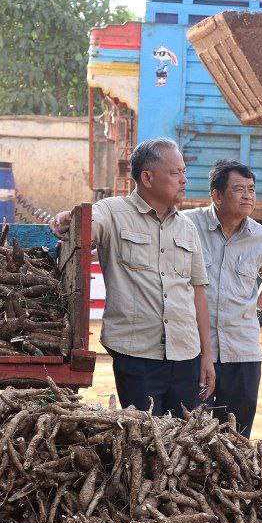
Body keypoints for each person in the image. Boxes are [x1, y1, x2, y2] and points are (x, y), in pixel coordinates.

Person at [51, 137, 215, 415]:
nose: (184, 179)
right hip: (136, 355)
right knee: (144, 440)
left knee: (184, 442)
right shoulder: (113, 212)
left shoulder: (187, 228)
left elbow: (198, 291)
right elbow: (85, 223)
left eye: (184, 171)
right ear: (147, 177)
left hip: (185, 354)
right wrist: (68, 218)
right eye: (176, 172)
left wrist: (207, 355)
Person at [184, 160, 262, 437]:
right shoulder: (187, 225)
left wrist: (256, 306)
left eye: (251, 189)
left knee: (237, 437)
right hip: (194, 350)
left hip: (242, 352)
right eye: (238, 189)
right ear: (216, 195)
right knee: (190, 433)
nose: (247, 196)